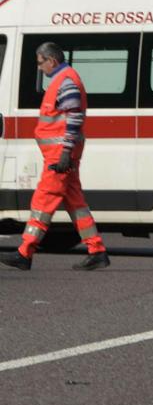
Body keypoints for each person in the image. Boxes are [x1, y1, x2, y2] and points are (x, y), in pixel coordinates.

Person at [0, 42, 110, 271]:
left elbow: (74, 118)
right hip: (60, 153)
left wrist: (65, 152)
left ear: (52, 61)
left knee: (43, 200)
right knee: (75, 202)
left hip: (60, 155)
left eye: (41, 63)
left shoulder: (66, 81)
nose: (40, 68)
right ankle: (96, 250)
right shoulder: (64, 79)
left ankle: (25, 251)